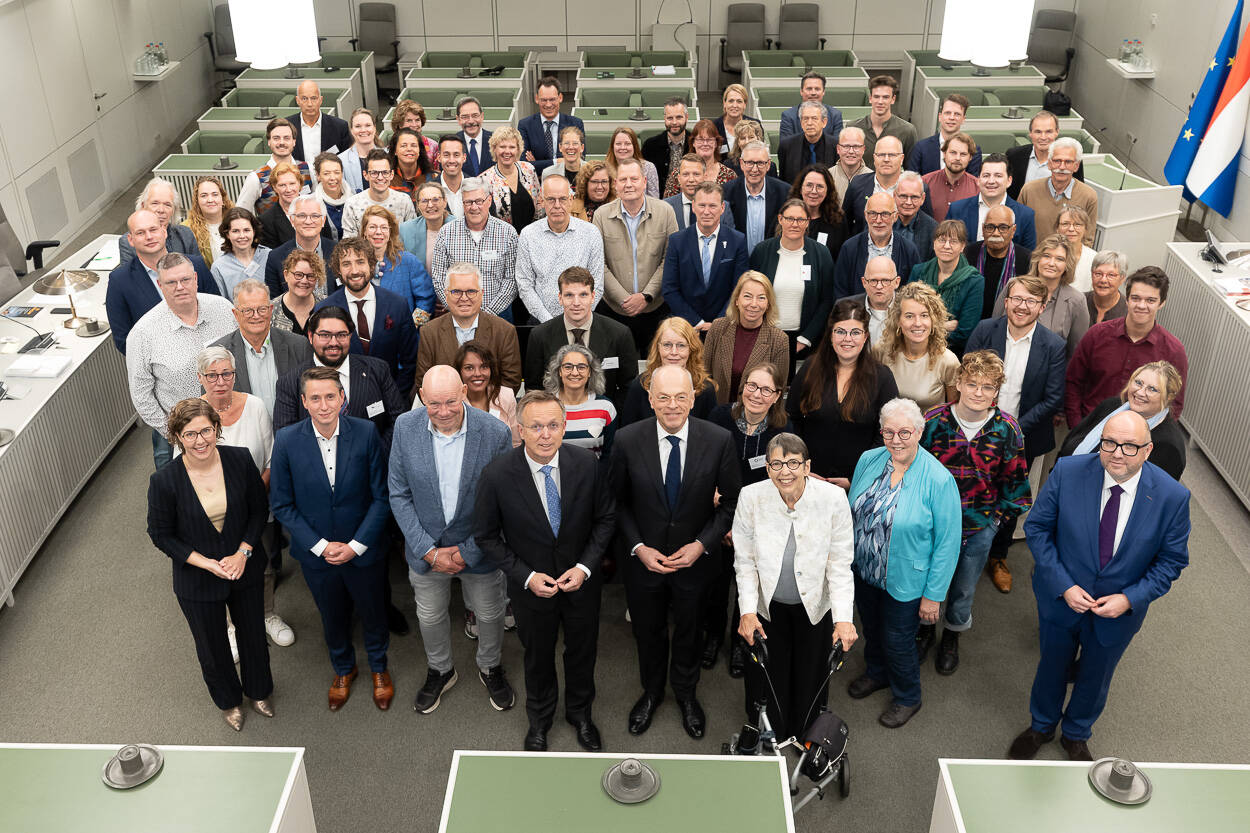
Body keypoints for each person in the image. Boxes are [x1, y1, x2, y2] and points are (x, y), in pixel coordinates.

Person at [1009, 410, 1189, 762]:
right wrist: (1064, 585)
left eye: (1129, 446)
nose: (1117, 453)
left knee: (1097, 674)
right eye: (1109, 443)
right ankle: (1042, 725)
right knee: (1051, 666)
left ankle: (1075, 734)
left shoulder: (1172, 498)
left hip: (1118, 613)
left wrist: (1129, 598)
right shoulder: (1068, 473)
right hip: (1063, 601)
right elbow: (1037, 530)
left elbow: (1171, 562)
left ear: (1148, 450)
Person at [475, 390, 616, 751]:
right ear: (519, 430)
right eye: (535, 426)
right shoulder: (497, 475)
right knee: (537, 656)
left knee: (582, 652)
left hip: (581, 585)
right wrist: (525, 576)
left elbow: (605, 520)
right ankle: (539, 720)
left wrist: (585, 568)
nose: (545, 434)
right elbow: (486, 537)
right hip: (530, 589)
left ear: (564, 426)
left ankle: (580, 715)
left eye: (553, 425)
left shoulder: (587, 466)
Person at [612, 365, 741, 739]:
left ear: (694, 398)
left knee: (690, 631)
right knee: (648, 632)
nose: (672, 405)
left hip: (696, 563)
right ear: (650, 400)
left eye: (681, 397)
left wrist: (702, 544)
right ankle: (651, 692)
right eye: (663, 397)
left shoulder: (717, 440)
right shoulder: (626, 440)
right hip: (643, 564)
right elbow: (615, 503)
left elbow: (732, 501)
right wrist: (638, 548)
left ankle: (686, 694)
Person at [389, 366, 515, 715]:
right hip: (425, 550)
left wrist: (468, 550)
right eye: (433, 404)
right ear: (421, 398)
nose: (442, 412)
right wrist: (428, 550)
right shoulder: (405, 427)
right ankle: (441, 670)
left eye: (449, 402)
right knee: (429, 618)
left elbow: (503, 501)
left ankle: (490, 666)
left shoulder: (495, 432)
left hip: (479, 550)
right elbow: (398, 494)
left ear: (463, 391)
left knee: (490, 614)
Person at [270, 366, 394, 711]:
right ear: (304, 402)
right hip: (316, 556)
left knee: (373, 612)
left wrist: (355, 546)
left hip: (363, 549)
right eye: (315, 398)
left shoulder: (367, 433)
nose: (323, 405)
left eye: (330, 396)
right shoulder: (286, 441)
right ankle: (343, 668)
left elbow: (382, 497)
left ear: (343, 398)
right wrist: (322, 546)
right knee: (331, 615)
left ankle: (379, 668)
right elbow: (282, 504)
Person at [147, 398, 273, 730]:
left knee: (253, 635)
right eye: (190, 434)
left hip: (243, 567)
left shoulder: (240, 459)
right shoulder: (164, 481)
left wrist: (242, 552)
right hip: (197, 578)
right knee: (212, 646)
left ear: (217, 429)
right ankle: (229, 701)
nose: (200, 441)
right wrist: (206, 563)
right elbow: (160, 534)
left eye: (206, 431)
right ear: (176, 437)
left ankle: (259, 692)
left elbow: (259, 511)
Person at [734, 432, 857, 740]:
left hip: (814, 606)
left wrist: (843, 620)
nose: (784, 471)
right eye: (776, 463)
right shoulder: (751, 497)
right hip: (768, 607)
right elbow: (745, 561)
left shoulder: (833, 499)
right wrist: (748, 611)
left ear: (807, 466)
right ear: (767, 468)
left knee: (809, 675)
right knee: (768, 677)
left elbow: (840, 564)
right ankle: (770, 734)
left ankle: (806, 733)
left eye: (792, 463)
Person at [846, 397, 960, 728]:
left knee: (898, 638)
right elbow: (855, 506)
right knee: (871, 627)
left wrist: (934, 595)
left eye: (905, 432)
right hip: (865, 570)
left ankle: (908, 695)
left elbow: (947, 543)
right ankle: (877, 673)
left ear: (920, 432)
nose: (896, 440)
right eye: (888, 432)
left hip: (907, 580)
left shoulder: (938, 479)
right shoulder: (869, 459)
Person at [918, 351, 1030, 674]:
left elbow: (1016, 485)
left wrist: (994, 523)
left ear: (997, 391)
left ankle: (952, 635)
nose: (978, 392)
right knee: (928, 580)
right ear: (959, 383)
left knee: (964, 587)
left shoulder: (1008, 430)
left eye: (987, 387)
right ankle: (925, 630)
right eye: (972, 384)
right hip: (934, 523)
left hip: (979, 526)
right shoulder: (933, 421)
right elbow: (915, 472)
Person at [965, 274, 1068, 593]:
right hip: (975, 429)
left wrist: (1008, 431)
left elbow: (1053, 398)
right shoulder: (985, 330)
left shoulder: (1053, 345)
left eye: (1031, 301)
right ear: (1006, 301)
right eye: (1017, 299)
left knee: (1008, 499)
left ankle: (998, 557)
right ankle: (960, 548)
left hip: (1023, 437)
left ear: (1042, 306)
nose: (1022, 306)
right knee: (970, 489)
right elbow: (965, 374)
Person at [194, 345, 293, 649]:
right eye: (212, 375)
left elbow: (271, 459)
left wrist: (252, 498)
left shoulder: (255, 406)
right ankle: (232, 627)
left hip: (254, 507)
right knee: (221, 567)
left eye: (226, 373)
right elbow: (183, 469)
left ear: (235, 375)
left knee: (260, 565)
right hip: (213, 514)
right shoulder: (191, 413)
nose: (220, 381)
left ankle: (267, 615)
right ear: (201, 378)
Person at [707, 363, 793, 674]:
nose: (757, 394)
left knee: (749, 585)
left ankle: (742, 644)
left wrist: (743, 524)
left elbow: (784, 481)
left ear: (777, 396)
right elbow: (703, 461)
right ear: (742, 387)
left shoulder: (783, 431)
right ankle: (712, 637)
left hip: (759, 519)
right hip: (718, 513)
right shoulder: (719, 417)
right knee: (714, 582)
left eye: (766, 389)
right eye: (752, 386)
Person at [126, 253, 238, 468]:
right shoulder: (143, 334)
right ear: (160, 284)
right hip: (181, 435)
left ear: (195, 278)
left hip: (231, 420)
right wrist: (176, 434)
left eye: (185, 280)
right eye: (171, 282)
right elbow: (141, 396)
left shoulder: (223, 309)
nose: (180, 287)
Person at [789, 299, 899, 488]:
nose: (847, 339)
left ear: (865, 336)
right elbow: (791, 419)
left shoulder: (882, 377)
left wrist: (856, 478)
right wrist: (801, 467)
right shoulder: (809, 369)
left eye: (855, 332)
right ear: (830, 335)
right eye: (840, 331)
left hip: (861, 484)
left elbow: (888, 433)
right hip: (809, 481)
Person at [1065, 266, 1187, 426]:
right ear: (1127, 299)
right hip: (1089, 426)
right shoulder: (1097, 335)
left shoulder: (1173, 351)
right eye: (1136, 298)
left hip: (1136, 440)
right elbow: (1073, 382)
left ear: (1161, 303)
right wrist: (1077, 427)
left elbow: (1174, 405)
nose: (1142, 305)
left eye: (1150, 300)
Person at [272, 306, 407, 448]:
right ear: (311, 337)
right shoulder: (291, 382)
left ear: (350, 336)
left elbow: (399, 422)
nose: (333, 343)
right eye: (325, 335)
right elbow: (286, 439)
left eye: (341, 335)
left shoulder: (377, 370)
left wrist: (373, 456)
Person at [317, 235, 421, 399]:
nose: (354, 270)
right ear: (338, 270)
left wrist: (395, 395)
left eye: (360, 262)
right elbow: (322, 364)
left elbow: (411, 360)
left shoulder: (397, 305)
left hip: (392, 400)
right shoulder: (324, 310)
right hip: (345, 404)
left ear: (372, 265)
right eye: (346, 264)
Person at [594, 158, 679, 351]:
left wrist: (646, 296)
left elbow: (671, 259)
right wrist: (624, 298)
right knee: (615, 368)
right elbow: (599, 263)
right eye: (623, 179)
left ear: (644, 182)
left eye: (634, 178)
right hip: (614, 310)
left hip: (655, 308)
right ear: (615, 184)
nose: (629, 184)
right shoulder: (601, 215)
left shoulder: (665, 212)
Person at [525, 266, 639, 407]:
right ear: (560, 298)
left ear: (593, 297)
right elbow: (533, 389)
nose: (576, 303)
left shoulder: (619, 334)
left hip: (605, 420)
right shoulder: (539, 336)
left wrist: (611, 419)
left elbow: (628, 387)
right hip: (556, 420)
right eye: (569, 295)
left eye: (583, 295)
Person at [107, 210, 218, 354]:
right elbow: (124, 340)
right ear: (130, 240)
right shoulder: (119, 281)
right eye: (140, 233)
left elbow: (216, 311)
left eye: (153, 229)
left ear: (164, 232)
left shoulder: (196, 265)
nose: (149, 237)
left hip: (208, 357)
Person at [749, 199, 839, 373]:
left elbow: (826, 300)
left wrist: (806, 338)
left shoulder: (821, 253)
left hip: (804, 341)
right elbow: (750, 293)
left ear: (808, 223)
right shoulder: (762, 251)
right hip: (765, 339)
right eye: (790, 218)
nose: (794, 224)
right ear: (780, 219)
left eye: (800, 220)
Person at [1060, 361, 1186, 482]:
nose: (1140, 392)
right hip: (1062, 480)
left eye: (1152, 389)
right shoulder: (1110, 406)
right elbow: (1071, 441)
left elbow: (1153, 497)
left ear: (1168, 397)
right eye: (1138, 383)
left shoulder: (1168, 447)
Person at [414, 262, 522, 391]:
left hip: (490, 409)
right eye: (456, 291)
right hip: (446, 409)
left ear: (482, 293)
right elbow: (423, 383)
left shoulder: (504, 331)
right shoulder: (429, 332)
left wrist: (478, 406)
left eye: (471, 291)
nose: (464, 298)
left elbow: (511, 383)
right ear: (446, 295)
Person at [213, 278, 313, 418]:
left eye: (262, 309)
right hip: (244, 438)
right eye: (248, 310)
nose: (256, 316)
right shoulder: (218, 353)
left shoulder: (299, 346)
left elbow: (313, 395)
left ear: (271, 309)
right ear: (236, 314)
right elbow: (212, 407)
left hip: (291, 433)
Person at [661, 182, 750, 331]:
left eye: (712, 206)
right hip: (686, 327)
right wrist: (696, 322)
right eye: (702, 205)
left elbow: (739, 288)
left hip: (724, 327)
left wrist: (719, 322)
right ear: (694, 206)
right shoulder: (677, 241)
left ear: (722, 208)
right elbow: (670, 289)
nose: (706, 211)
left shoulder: (737, 240)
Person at [515, 175, 604, 322]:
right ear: (542, 201)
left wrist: (577, 316)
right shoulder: (528, 234)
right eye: (551, 199)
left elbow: (598, 285)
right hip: (541, 322)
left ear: (571, 200)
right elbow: (524, 284)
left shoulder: (591, 233)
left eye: (562, 199)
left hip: (582, 319)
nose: (557, 205)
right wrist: (548, 321)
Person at [430, 177, 521, 321]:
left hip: (499, 316)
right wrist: (457, 308)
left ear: (489, 201)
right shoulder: (446, 233)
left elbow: (511, 280)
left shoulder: (507, 233)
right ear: (463, 203)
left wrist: (488, 313)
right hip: (457, 316)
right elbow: (439, 278)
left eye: (479, 201)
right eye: (468, 202)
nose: (474, 207)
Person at [992, 235, 1090, 359]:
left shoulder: (1077, 300)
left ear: (1067, 265)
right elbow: (993, 328)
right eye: (1047, 256)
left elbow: (1075, 351)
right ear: (1038, 258)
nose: (1051, 263)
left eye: (1059, 259)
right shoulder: (1013, 285)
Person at [703, 271, 790, 405]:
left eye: (761, 298)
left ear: (768, 304)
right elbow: (704, 376)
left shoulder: (779, 340)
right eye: (748, 296)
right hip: (716, 414)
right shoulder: (717, 328)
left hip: (755, 417)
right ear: (737, 300)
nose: (754, 304)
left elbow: (778, 390)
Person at [874, 281, 959, 413]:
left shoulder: (948, 361)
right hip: (887, 430)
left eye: (924, 315)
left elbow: (954, 412)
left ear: (933, 320)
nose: (917, 323)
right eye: (909, 316)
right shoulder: (881, 350)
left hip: (929, 432)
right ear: (898, 320)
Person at [619, 317, 719, 426]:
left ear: (691, 349)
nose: (674, 352)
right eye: (667, 345)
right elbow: (628, 432)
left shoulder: (706, 389)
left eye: (681, 345)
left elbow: (710, 436)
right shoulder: (640, 385)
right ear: (658, 348)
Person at [911, 219, 984, 354]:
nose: (946, 246)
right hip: (914, 349)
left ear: (962, 246)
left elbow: (964, 332)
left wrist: (922, 330)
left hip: (951, 354)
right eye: (942, 240)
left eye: (953, 241)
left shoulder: (974, 281)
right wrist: (943, 326)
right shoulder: (918, 271)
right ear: (934, 243)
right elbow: (907, 317)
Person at [832, 192, 921, 299]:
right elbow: (840, 291)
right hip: (857, 314)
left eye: (885, 214)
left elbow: (914, 293)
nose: (878, 220)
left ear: (895, 216)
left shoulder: (909, 250)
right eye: (873, 213)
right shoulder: (849, 248)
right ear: (865, 215)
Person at [357, 206, 436, 324]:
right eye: (372, 227)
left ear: (390, 232)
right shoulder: (355, 263)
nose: (378, 232)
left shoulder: (408, 261)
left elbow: (427, 299)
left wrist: (412, 326)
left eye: (384, 227)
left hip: (402, 336)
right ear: (364, 231)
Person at [1018, 137, 1098, 251]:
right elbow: (1018, 229)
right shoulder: (1029, 190)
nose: (1061, 167)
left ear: (1076, 166)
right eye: (1057, 161)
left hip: (1068, 263)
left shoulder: (1089, 196)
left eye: (1068, 162)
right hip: (1032, 260)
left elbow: (1087, 239)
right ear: (1049, 164)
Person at [946, 152, 1037, 250]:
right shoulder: (957, 209)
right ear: (978, 180)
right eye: (986, 175)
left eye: (998, 176)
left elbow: (1027, 257)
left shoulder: (1025, 215)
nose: (991, 181)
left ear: (1009, 181)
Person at [544, 344, 617, 459]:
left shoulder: (605, 407)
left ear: (590, 372)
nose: (574, 373)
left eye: (581, 367)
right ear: (559, 371)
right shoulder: (544, 406)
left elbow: (609, 455)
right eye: (568, 367)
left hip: (594, 475)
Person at [843, 137, 925, 238]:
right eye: (881, 155)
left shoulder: (917, 187)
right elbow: (845, 224)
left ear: (902, 159)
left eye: (892, 155)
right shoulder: (857, 184)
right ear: (874, 158)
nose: (886, 159)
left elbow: (924, 226)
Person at [264, 196, 339, 298]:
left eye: (315, 216)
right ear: (292, 220)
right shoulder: (276, 257)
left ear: (323, 220)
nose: (308, 221)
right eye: (302, 216)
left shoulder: (338, 252)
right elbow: (275, 300)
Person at [725, 141, 793, 252]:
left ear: (768, 165)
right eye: (750, 163)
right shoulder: (726, 193)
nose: (755, 169)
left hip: (771, 260)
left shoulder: (785, 193)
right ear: (742, 164)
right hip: (738, 262)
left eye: (760, 163)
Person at [966, 205, 1031, 320]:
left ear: (1013, 230)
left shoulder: (1026, 259)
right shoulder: (969, 253)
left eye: (1003, 227)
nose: (996, 233)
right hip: (971, 325)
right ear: (983, 229)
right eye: (990, 227)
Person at [235, 118, 310, 217]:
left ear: (294, 142)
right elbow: (240, 213)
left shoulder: (307, 169)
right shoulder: (256, 177)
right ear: (269, 142)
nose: (281, 142)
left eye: (286, 138)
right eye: (276, 138)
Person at [1005, 111, 1086, 200]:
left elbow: (1078, 193)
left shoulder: (1071, 159)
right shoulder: (1014, 156)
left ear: (1057, 132)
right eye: (1038, 132)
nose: (1043, 137)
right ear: (1030, 133)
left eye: (1048, 132)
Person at [118, 178, 199, 265]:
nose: (161, 210)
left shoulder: (185, 235)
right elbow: (129, 276)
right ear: (143, 206)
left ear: (173, 210)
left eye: (167, 205)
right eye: (155, 203)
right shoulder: (129, 242)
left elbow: (198, 271)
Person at [457, 340, 521, 446]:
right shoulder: (453, 401)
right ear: (459, 371)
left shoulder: (506, 396)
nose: (477, 373)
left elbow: (516, 443)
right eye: (469, 368)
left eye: (484, 367)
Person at [516, 76, 585, 175]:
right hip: (538, 185)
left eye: (552, 99)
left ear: (560, 98)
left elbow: (579, 160)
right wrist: (557, 162)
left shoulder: (575, 123)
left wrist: (536, 163)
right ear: (536, 99)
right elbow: (524, 165)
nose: (548, 105)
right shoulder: (525, 125)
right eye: (544, 100)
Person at [342, 149, 416, 237]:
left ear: (391, 174)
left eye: (385, 172)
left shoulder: (404, 201)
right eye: (374, 173)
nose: (380, 177)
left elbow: (412, 237)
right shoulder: (352, 204)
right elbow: (349, 243)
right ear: (365, 175)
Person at [483, 125, 543, 231]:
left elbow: (539, 202)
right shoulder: (485, 179)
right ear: (494, 149)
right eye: (502, 147)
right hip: (502, 241)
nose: (507, 151)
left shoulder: (528, 169)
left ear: (518, 150)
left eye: (512, 147)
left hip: (532, 237)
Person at [907, 93, 983, 176]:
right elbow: (911, 181)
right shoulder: (921, 147)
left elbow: (971, 184)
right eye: (947, 113)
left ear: (963, 119)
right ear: (940, 117)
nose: (952, 117)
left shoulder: (973, 150)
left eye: (957, 114)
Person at [850, 75, 918, 165]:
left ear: (893, 99)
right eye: (876, 97)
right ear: (870, 98)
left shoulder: (907, 130)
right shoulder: (853, 128)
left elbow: (911, 168)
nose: (880, 101)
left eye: (885, 97)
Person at [664, 118, 739, 197]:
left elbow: (735, 205)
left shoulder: (729, 175)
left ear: (716, 143)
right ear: (693, 143)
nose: (705, 144)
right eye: (700, 139)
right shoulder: (679, 173)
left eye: (709, 139)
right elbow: (668, 205)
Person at [788, 164, 847, 261]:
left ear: (828, 190)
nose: (814, 191)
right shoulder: (786, 217)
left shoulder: (838, 220)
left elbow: (841, 258)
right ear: (800, 188)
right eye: (809, 185)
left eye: (820, 186)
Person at [665, 154, 735, 232]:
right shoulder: (665, 207)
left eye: (696, 174)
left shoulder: (722, 207)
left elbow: (730, 239)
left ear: (705, 177)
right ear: (679, 178)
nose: (691, 179)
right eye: (686, 174)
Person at [287, 81, 352, 164]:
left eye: (314, 98)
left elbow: (346, 160)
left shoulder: (340, 127)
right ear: (297, 100)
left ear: (320, 100)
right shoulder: (287, 126)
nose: (309, 104)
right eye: (304, 99)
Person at [920, 133, 980, 223]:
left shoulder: (978, 187)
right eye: (953, 153)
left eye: (963, 154)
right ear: (944, 154)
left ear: (970, 157)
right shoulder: (925, 182)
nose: (958, 158)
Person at [270, 249, 327, 336]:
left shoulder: (327, 306)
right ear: (286, 275)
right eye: (298, 275)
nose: (304, 281)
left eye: (311, 276)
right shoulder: (270, 311)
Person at [779, 101, 838, 184]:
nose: (809, 123)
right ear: (801, 123)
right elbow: (783, 180)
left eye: (814, 118)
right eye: (805, 119)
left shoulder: (836, 146)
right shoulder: (786, 146)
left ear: (824, 122)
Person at [847, 256, 901, 344]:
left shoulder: (908, 309)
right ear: (864, 282)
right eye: (873, 281)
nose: (879, 286)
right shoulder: (847, 308)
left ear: (897, 282)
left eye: (885, 280)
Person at [399, 182, 451, 274]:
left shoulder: (459, 227)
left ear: (445, 202)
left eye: (435, 199)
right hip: (419, 286)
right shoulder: (406, 230)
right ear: (418, 205)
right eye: (424, 201)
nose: (430, 205)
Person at [259, 163, 315, 249]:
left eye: (292, 184)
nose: (288, 190)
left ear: (300, 184)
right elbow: (271, 256)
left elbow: (326, 243)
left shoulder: (315, 209)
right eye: (282, 185)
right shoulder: (266, 220)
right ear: (274, 187)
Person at [641, 98, 691, 193]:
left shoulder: (696, 144)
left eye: (679, 117)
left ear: (687, 117)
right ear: (664, 118)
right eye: (670, 118)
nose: (674, 122)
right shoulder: (650, 146)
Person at [778, 71, 845, 141]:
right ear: (801, 91)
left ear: (823, 92)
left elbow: (838, 145)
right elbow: (786, 147)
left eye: (817, 89)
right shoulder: (788, 116)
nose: (813, 93)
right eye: (809, 89)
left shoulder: (835, 115)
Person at [183, 176, 232, 266]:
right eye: (204, 196)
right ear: (197, 201)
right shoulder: (186, 229)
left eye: (215, 194)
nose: (210, 200)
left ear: (223, 199)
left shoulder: (237, 220)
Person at [388, 101, 441, 178]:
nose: (414, 125)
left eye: (417, 120)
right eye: (409, 120)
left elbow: (438, 174)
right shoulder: (392, 146)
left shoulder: (433, 145)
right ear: (399, 124)